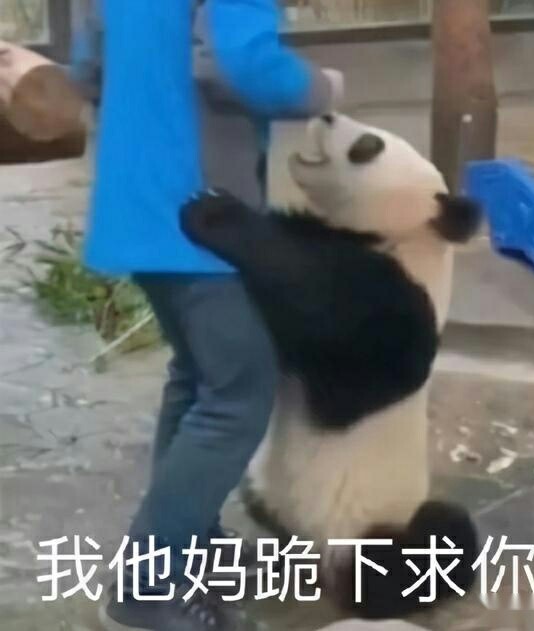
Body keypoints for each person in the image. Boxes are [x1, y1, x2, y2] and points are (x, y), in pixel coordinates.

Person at [72, 1, 343, 629]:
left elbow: (87, 69)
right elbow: (241, 65)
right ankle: (146, 586)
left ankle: (192, 540)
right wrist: (323, 88)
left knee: (200, 375)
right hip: (199, 213)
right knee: (238, 392)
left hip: (136, 201)